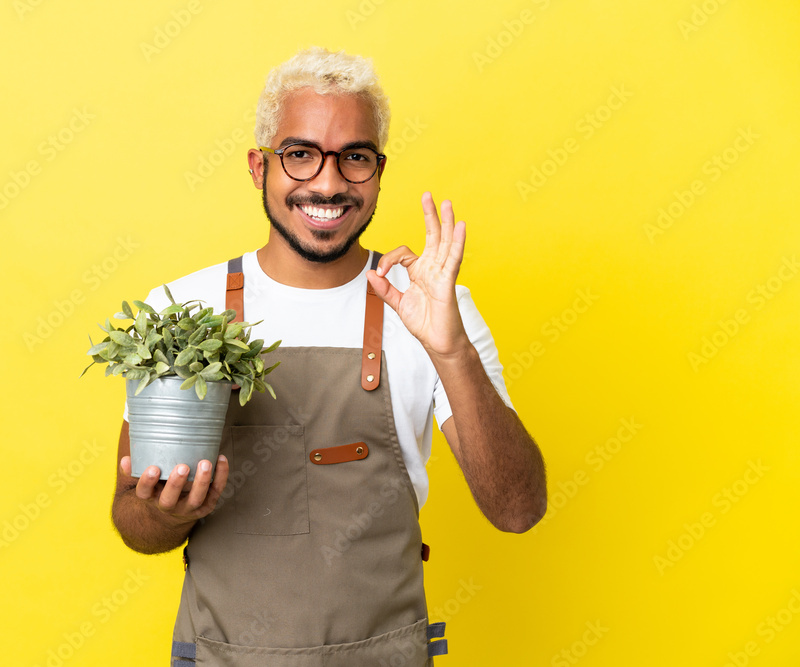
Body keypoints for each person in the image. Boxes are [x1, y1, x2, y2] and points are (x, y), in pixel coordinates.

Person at [111, 47, 547, 666]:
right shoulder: (182, 307)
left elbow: (518, 509)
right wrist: (168, 512)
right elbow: (132, 522)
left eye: (355, 158)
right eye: (301, 153)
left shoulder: (433, 306)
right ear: (259, 167)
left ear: (379, 170)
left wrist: (449, 350)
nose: (328, 182)